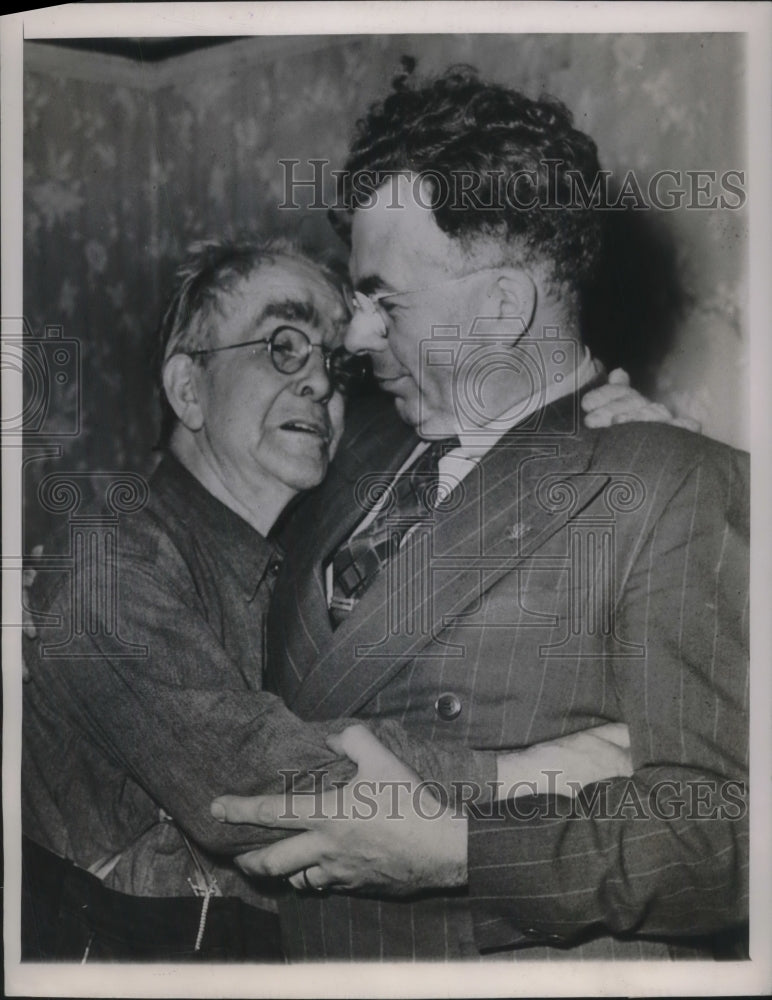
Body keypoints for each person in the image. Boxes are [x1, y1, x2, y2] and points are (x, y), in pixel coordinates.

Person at [209, 68, 750, 961]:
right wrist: (514, 775)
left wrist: (459, 851)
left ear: (501, 308)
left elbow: (728, 836)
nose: (359, 336)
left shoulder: (675, 483)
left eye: (387, 300)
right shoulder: (350, 458)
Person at [21, 238, 644, 961]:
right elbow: (255, 785)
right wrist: (533, 776)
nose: (319, 380)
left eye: (334, 361)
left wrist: (623, 437)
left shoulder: (308, 558)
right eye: (283, 344)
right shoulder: (110, 559)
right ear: (188, 390)